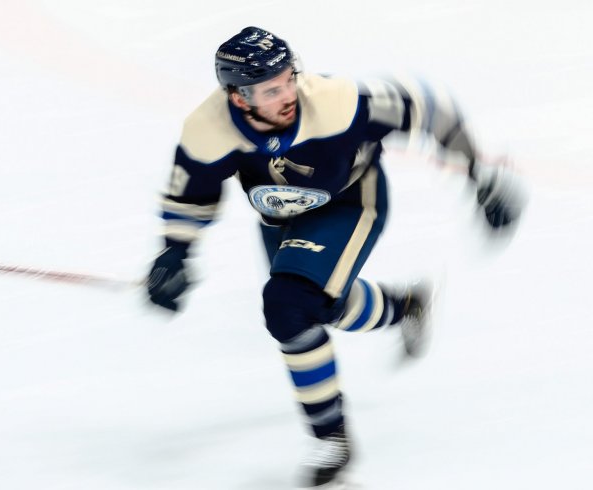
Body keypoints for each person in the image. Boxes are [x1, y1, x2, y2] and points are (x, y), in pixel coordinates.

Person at [145, 26, 524, 487]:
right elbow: (192, 195)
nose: (287, 93)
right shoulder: (208, 131)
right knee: (318, 308)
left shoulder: (336, 102)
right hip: (282, 218)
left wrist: (478, 173)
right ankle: (405, 306)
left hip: (349, 202)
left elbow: (422, 109)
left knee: (289, 307)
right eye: (270, 89)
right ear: (238, 97)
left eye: (288, 78)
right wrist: (175, 253)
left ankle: (331, 440)